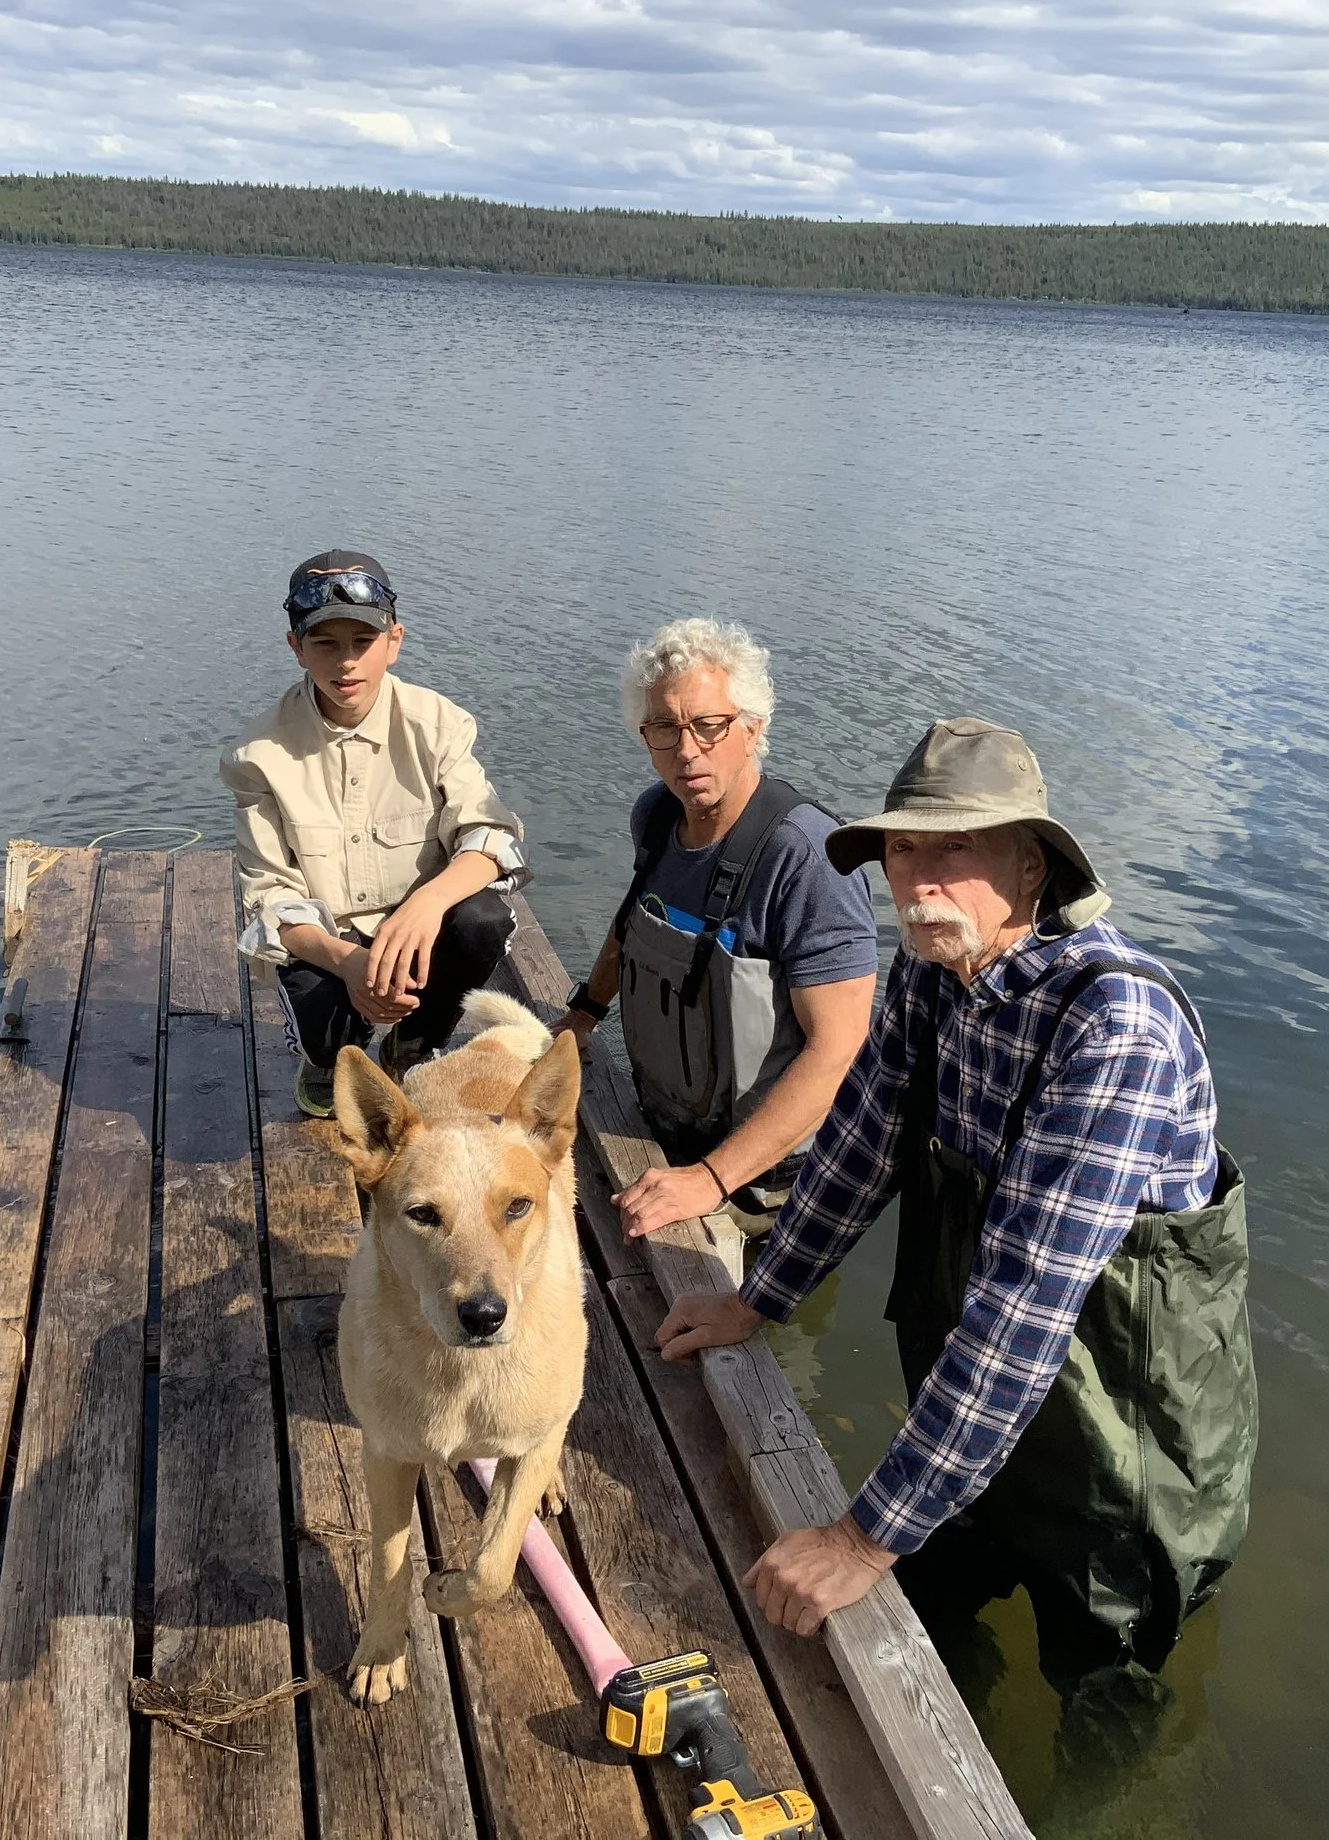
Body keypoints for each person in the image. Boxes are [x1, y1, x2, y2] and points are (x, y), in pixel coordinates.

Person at [654, 717, 1257, 1723]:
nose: (918, 878)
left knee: (1101, 1685)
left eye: (955, 848)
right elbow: (858, 1148)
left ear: (1031, 864)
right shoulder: (936, 976)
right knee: (930, 1612)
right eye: (902, 848)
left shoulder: (1113, 1028)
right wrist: (758, 1299)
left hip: (1127, 1448)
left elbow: (1024, 1308)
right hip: (983, 1412)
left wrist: (860, 1538)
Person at [551, 619, 876, 1272]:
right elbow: (636, 913)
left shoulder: (808, 860)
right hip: (662, 1128)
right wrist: (581, 1015)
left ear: (753, 728)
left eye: (709, 725)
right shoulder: (658, 815)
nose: (687, 751)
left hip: (771, 1184)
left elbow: (839, 1048)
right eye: (664, 730)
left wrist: (709, 1179)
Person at [221, 549, 529, 1117]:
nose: (346, 664)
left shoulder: (439, 725)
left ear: (395, 641)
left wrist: (426, 906)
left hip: (418, 930)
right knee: (325, 1030)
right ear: (296, 647)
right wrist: (348, 963)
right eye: (325, 644)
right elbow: (270, 902)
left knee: (483, 918)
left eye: (362, 642)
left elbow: (492, 837)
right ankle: (327, 1055)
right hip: (331, 941)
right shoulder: (257, 757)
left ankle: (414, 1044)